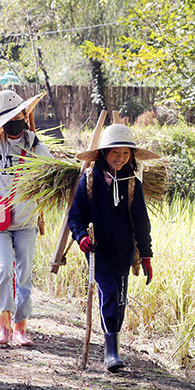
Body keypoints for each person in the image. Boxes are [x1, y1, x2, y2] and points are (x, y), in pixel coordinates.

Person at [67, 124, 156, 372]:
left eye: (126, 153)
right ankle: (111, 353)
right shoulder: (89, 182)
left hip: (123, 253)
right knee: (108, 295)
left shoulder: (132, 185)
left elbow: (141, 223)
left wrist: (146, 255)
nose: (120, 158)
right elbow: (75, 218)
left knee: (120, 300)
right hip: (98, 252)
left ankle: (113, 343)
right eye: (115, 152)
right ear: (102, 154)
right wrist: (81, 236)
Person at [0, 89, 52, 346]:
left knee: (24, 274)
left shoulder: (37, 146)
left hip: (27, 221)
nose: (13, 123)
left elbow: (51, 177)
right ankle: (4, 328)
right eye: (7, 119)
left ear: (24, 114)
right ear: (1, 123)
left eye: (17, 116)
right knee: (4, 269)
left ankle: (21, 328)